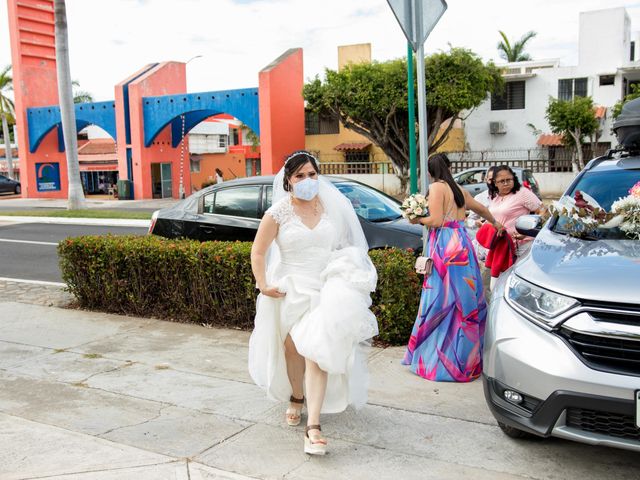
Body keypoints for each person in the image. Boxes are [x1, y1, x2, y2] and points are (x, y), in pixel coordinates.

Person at [248, 150, 378, 456]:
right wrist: (263, 284)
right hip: (290, 289)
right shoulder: (277, 214)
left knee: (316, 352)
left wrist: (348, 270)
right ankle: (296, 395)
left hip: (326, 289)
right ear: (289, 181)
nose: (308, 181)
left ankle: (314, 427)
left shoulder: (332, 208)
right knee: (293, 352)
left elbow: (347, 245)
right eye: (300, 176)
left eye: (312, 174)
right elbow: (257, 252)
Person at [402, 153, 503, 382]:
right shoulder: (459, 189)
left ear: (429, 172)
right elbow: (482, 210)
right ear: (449, 167)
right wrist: (496, 224)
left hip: (446, 245)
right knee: (465, 301)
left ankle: (440, 360)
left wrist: (416, 219)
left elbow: (436, 221)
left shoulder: (437, 188)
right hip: (462, 243)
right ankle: (467, 361)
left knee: (441, 301)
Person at [487, 165, 545, 287]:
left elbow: (543, 211)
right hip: (501, 248)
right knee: (496, 287)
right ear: (495, 183)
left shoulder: (522, 193)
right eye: (502, 181)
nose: (506, 183)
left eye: (509, 180)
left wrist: (526, 232)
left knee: (518, 286)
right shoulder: (495, 197)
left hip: (521, 248)